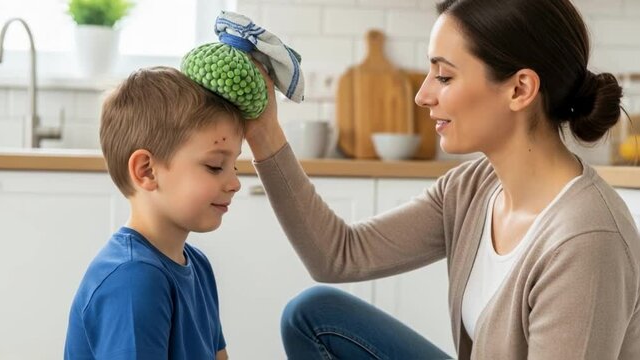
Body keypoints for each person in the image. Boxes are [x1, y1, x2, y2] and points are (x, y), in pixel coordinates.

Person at [245, 0, 640, 358]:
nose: (422, 96)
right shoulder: (471, 188)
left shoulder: (587, 242)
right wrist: (264, 132)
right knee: (314, 316)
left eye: (445, 77)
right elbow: (338, 255)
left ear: (519, 89)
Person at [64, 66, 243, 360]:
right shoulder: (134, 280)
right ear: (147, 171)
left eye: (234, 166)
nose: (235, 183)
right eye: (214, 166)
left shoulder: (198, 266)